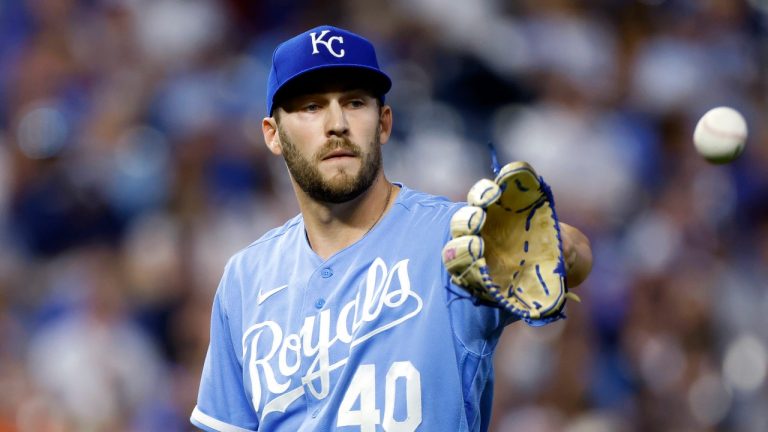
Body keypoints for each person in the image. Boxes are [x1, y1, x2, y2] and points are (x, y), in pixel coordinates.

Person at [191, 25, 592, 432]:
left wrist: (545, 250)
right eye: (311, 106)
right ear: (273, 135)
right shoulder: (245, 278)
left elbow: (574, 255)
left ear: (383, 123)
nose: (337, 123)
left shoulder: (451, 237)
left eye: (354, 102)